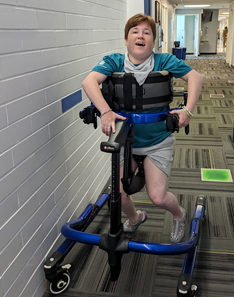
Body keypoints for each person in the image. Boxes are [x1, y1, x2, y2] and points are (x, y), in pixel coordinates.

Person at [82, 13, 203, 243]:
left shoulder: (165, 61)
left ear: (153, 41)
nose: (141, 35)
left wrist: (188, 110)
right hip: (127, 141)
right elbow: (89, 82)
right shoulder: (113, 62)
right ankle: (136, 218)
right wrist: (106, 111)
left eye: (147, 32)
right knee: (118, 193)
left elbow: (196, 77)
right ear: (126, 40)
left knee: (157, 197)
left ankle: (179, 214)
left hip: (158, 141)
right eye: (135, 32)